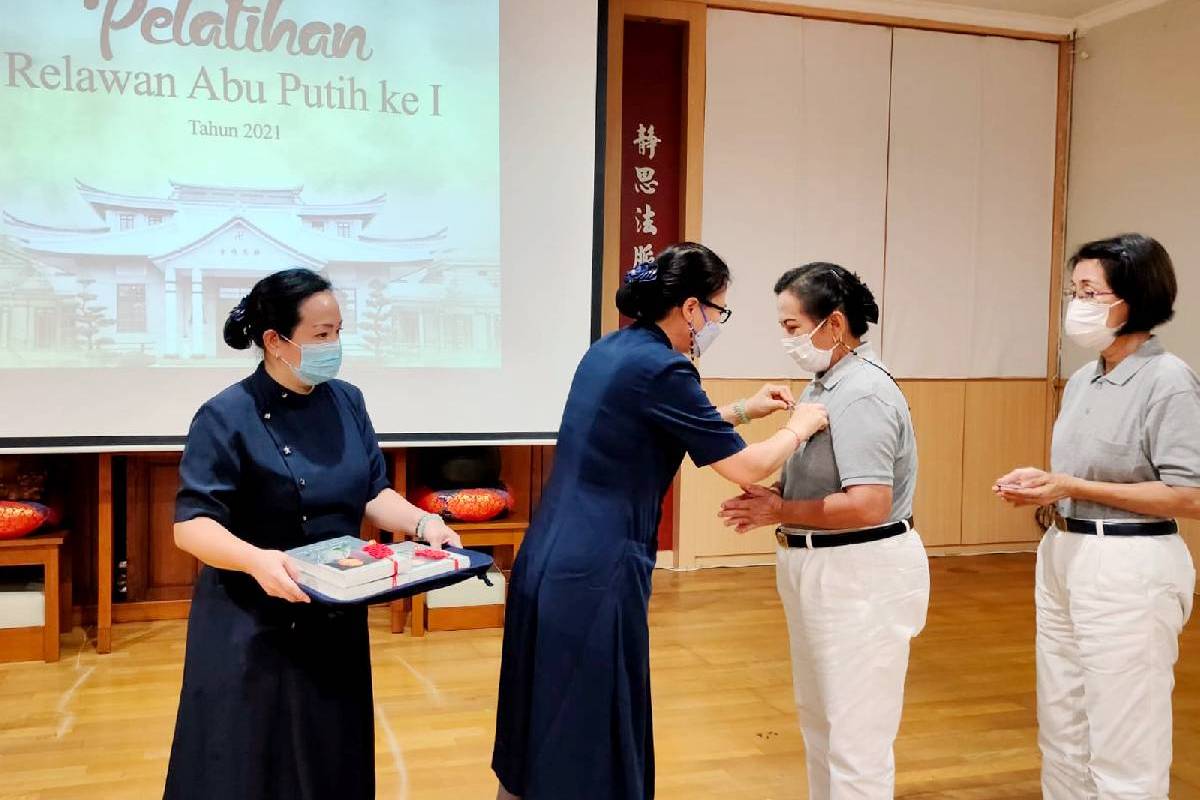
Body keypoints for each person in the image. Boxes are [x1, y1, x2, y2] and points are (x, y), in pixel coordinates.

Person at [491, 242, 829, 800]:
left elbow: (658, 423)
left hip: (549, 555)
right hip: (595, 568)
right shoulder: (665, 368)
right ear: (691, 308)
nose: (717, 323)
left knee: (541, 717)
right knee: (585, 727)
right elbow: (745, 466)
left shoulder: (614, 350)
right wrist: (801, 427)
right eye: (719, 312)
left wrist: (745, 409)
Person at [163, 268, 461, 800]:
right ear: (275, 341)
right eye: (321, 336)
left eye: (338, 332)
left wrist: (422, 523)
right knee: (249, 765)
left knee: (331, 758)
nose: (334, 346)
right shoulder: (225, 415)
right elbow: (193, 525)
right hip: (252, 620)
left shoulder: (347, 400)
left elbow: (372, 492)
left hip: (334, 613)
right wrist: (257, 560)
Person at [995, 233, 1200, 800]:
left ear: (1134, 297)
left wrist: (1072, 484)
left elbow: (1191, 495)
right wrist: (1043, 485)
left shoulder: (1169, 380)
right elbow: (1081, 475)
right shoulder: (1086, 378)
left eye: (1090, 291)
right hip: (1065, 551)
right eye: (1074, 290)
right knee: (1063, 722)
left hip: (1129, 563)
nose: (1077, 303)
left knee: (1124, 728)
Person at [718, 262, 928, 800]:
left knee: (856, 737)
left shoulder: (862, 393)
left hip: (860, 572)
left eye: (793, 328)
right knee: (821, 722)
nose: (787, 340)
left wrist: (780, 508)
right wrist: (780, 507)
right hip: (821, 565)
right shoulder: (826, 383)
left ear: (833, 325)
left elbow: (868, 504)